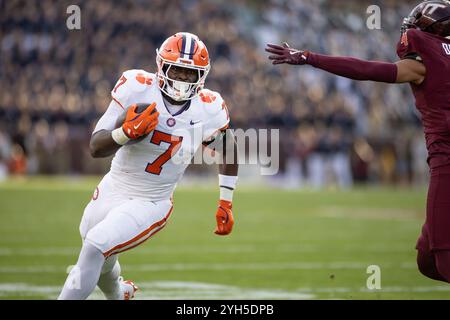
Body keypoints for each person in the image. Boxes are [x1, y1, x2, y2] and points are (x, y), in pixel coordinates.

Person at [265, 0, 450, 283]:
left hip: (446, 163)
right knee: (426, 258)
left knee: (442, 258)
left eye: (419, 23)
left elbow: (366, 70)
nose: (411, 28)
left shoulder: (423, 64)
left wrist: (309, 57)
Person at [58, 32, 239, 299]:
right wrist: (125, 133)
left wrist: (226, 201)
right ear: (161, 66)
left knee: (96, 246)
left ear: (202, 75)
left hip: (152, 201)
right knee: (97, 249)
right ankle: (120, 294)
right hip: (114, 185)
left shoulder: (208, 108)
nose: (182, 80)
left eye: (190, 74)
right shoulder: (136, 87)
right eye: (177, 70)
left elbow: (229, 148)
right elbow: (96, 147)